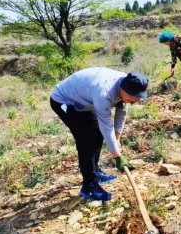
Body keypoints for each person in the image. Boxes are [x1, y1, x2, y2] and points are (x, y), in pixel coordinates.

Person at [50, 67, 148, 201]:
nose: (135, 101)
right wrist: (117, 156)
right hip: (65, 101)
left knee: (98, 134)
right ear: (124, 89)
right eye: (132, 98)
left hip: (85, 101)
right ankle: (89, 186)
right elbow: (106, 126)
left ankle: (95, 172)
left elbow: (122, 112)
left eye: (137, 98)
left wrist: (117, 139)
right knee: (87, 138)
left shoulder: (126, 85)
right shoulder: (104, 93)